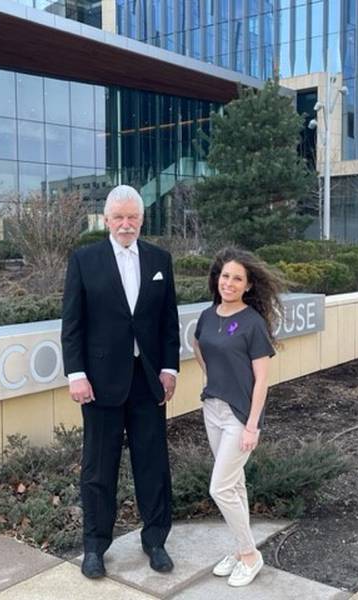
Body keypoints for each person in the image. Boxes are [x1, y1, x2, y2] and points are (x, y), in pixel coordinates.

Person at [61, 185, 180, 579]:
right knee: (98, 467)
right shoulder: (84, 260)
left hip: (147, 380)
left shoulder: (160, 259)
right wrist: (75, 374)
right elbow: (73, 325)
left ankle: (156, 540)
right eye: (119, 218)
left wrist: (170, 368)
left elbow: (167, 322)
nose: (126, 224)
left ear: (141, 219)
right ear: (107, 220)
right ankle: (94, 546)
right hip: (99, 382)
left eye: (133, 217)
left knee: (153, 464)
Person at [193, 247, 283, 588]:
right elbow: (199, 347)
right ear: (217, 279)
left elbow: (262, 379)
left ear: (248, 286)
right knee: (235, 484)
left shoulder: (252, 323)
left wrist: (252, 426)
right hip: (212, 409)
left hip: (239, 416)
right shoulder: (206, 316)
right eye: (225, 276)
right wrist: (214, 378)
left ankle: (249, 555)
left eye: (237, 279)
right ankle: (240, 547)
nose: (229, 283)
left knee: (220, 488)